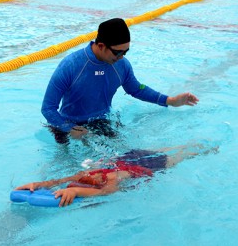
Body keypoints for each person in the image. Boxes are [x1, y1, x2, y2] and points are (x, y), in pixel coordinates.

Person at [41, 18, 199, 143]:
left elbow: (136, 89)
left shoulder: (121, 65)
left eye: (126, 52)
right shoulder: (71, 65)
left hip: (101, 122)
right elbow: (48, 108)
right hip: (67, 124)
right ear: (101, 46)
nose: (122, 57)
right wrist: (68, 128)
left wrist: (170, 100)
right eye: (118, 52)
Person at [15, 144, 218, 207]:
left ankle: (203, 150)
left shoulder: (111, 178)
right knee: (165, 149)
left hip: (145, 164)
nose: (88, 178)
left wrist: (77, 190)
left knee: (176, 159)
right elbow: (59, 181)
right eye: (84, 182)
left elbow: (109, 191)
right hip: (128, 157)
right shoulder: (86, 173)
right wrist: (37, 184)